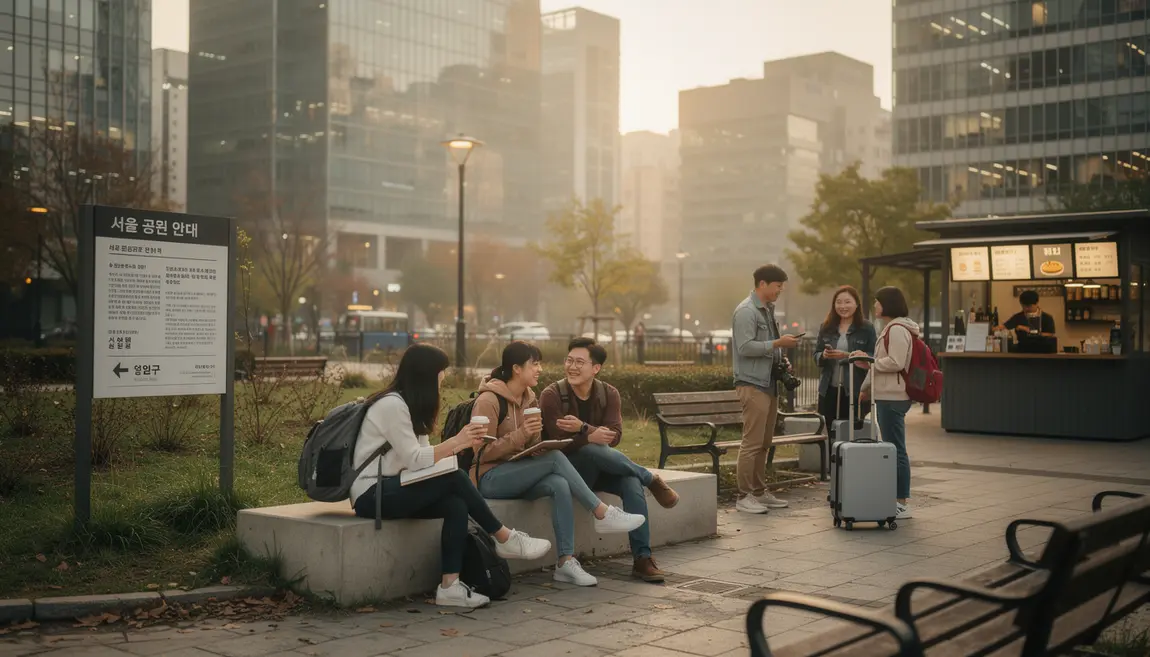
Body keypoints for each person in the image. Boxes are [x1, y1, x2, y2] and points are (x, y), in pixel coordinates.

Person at [350, 343, 553, 609]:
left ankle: (450, 587)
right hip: (371, 494)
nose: (443, 378)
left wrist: (462, 446)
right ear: (425, 374)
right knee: (456, 478)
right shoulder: (392, 405)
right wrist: (458, 441)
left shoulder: (409, 406)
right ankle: (504, 537)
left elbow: (422, 460)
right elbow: (415, 459)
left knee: (455, 504)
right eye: (440, 372)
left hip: (396, 485)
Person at [474, 341, 646, 587]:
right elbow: (480, 453)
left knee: (559, 483)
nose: (540, 369)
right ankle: (602, 513)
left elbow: (526, 447)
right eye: (534, 364)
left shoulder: (530, 399)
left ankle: (566, 562)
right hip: (489, 477)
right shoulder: (489, 400)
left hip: (516, 471)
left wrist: (536, 443)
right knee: (555, 459)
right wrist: (523, 434)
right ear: (516, 368)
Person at [539, 338, 680, 583]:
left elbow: (613, 436)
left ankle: (642, 559)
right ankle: (650, 478)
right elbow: (557, 439)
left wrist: (583, 428)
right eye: (569, 360)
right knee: (591, 449)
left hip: (600, 469)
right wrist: (590, 434)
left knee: (629, 480)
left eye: (579, 362)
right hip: (567, 472)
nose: (572, 367)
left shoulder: (608, 393)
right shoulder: (552, 394)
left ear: (596, 368)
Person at [731, 264, 799, 515]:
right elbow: (745, 347)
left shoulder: (768, 311)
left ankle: (759, 492)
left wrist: (781, 357)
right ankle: (743, 495)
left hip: (769, 383)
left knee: (765, 442)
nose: (780, 291)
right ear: (763, 284)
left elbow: (766, 347)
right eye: (778, 286)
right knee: (752, 442)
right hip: (752, 383)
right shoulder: (746, 312)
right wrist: (778, 343)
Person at [854, 286, 917, 521]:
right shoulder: (892, 328)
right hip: (887, 394)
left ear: (888, 304)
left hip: (893, 396)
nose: (875, 306)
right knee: (892, 447)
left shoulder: (898, 329)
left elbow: (896, 362)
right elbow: (882, 362)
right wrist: (866, 388)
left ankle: (902, 502)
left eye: (878, 302)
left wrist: (871, 362)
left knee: (896, 449)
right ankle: (897, 499)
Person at [813, 286, 876, 443]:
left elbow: (873, 357)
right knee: (830, 432)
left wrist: (847, 356)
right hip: (828, 390)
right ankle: (831, 466)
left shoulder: (866, 328)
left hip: (855, 390)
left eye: (847, 302)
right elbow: (816, 355)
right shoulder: (826, 327)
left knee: (852, 433)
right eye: (839, 302)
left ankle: (850, 465)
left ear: (856, 304)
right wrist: (824, 355)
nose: (843, 306)